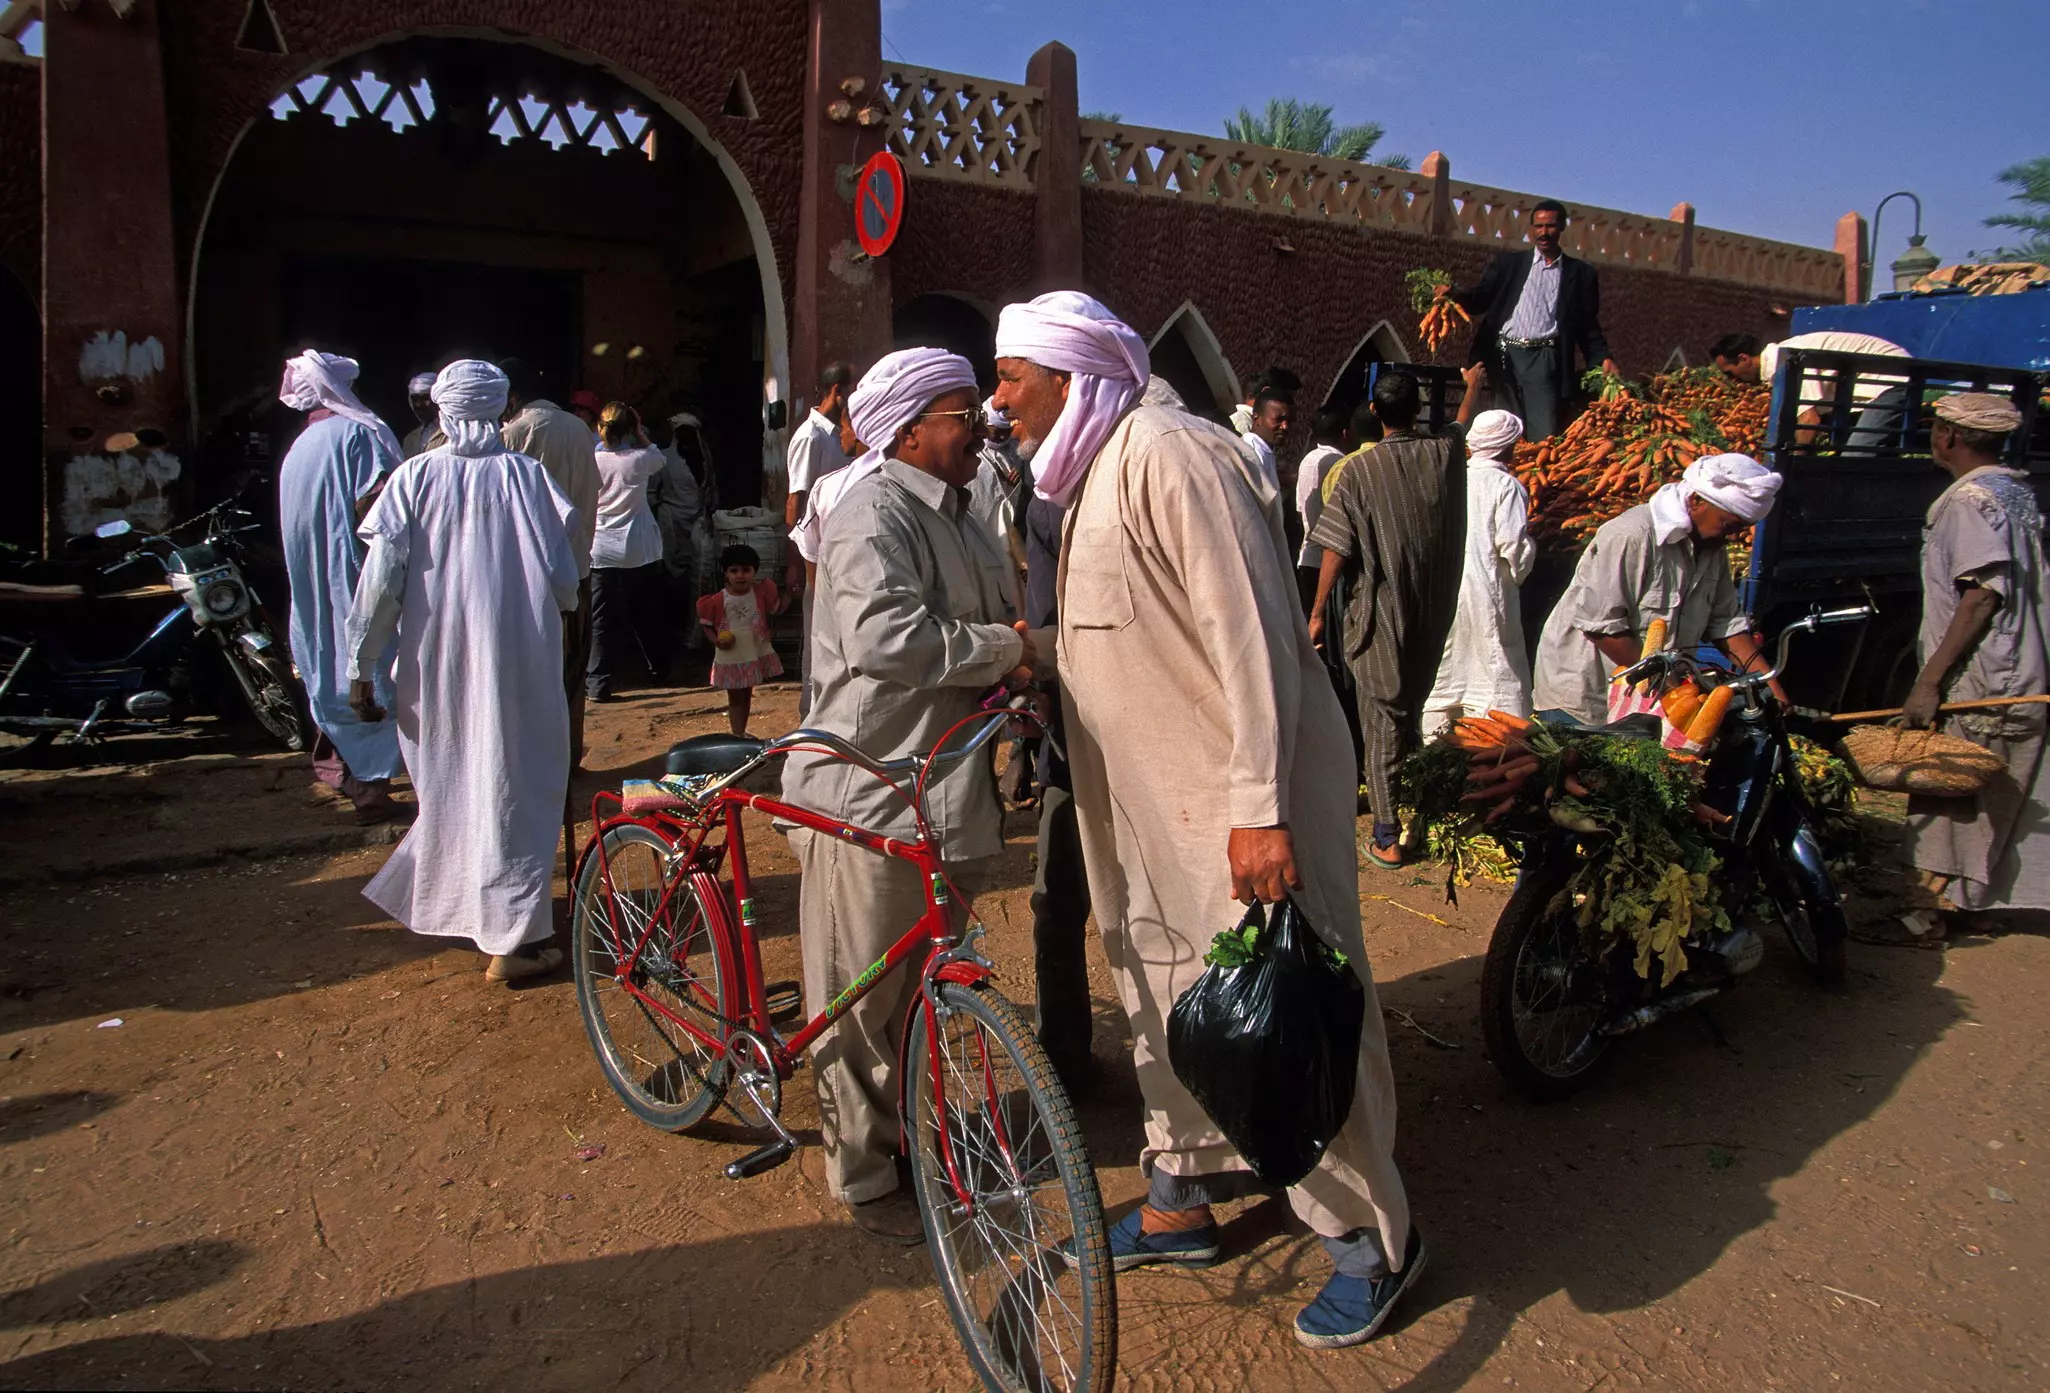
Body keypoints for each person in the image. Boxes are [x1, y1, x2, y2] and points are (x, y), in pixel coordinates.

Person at [993, 291, 1419, 1350]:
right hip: (1149, 822)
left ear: (1070, 375)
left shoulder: (1173, 454)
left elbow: (1252, 639)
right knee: (1168, 999)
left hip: (1234, 809)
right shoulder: (1095, 470)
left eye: (1010, 377)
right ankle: (1182, 1194)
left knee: (1292, 1012)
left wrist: (1257, 810)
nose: (998, 401)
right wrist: (1034, 657)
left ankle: (1371, 1239)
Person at [778, 347, 1028, 1242]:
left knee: (922, 986)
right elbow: (890, 640)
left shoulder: (965, 510)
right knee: (857, 999)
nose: (983, 427)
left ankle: (911, 1133)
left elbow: (999, 617)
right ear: (912, 429)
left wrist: (1015, 667)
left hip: (947, 789)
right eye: (965, 414)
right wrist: (1009, 650)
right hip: (868, 795)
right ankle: (864, 1170)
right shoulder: (869, 512)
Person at [344, 360, 581, 984]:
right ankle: (512, 936)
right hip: (520, 656)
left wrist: (361, 664)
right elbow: (563, 582)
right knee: (514, 780)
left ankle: (494, 921)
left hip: (437, 659)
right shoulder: (528, 479)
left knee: (456, 779)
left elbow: (380, 587)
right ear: (501, 410)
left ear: (442, 410)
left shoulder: (413, 479)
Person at [1307, 370, 1468, 869]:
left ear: (1374, 414)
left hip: (1382, 614)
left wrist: (1315, 614)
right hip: (1431, 612)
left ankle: (1386, 835)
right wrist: (1474, 385)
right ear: (1417, 409)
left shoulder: (1359, 471)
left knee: (1381, 721)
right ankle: (1420, 810)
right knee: (1408, 714)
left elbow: (1335, 548)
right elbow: (1460, 427)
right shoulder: (1444, 456)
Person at [1902, 392, 2050, 924]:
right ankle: (1971, 902)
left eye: (1937, 428)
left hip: (1988, 676)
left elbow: (1981, 595)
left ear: (1952, 437)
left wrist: (1929, 681)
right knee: (1992, 791)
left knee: (1955, 786)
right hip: (2018, 668)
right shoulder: (2012, 492)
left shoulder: (1969, 502)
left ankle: (1933, 909)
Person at [1530, 453, 1784, 726]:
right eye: (1729, 526)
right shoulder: (1632, 535)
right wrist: (1668, 687)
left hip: (1654, 696)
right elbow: (1600, 627)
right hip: (1587, 694)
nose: (1732, 537)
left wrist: (1772, 688)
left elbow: (1727, 625)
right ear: (1696, 501)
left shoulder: (1712, 549)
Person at [276, 350, 406, 823]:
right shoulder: (358, 434)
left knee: (325, 662)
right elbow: (378, 506)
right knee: (371, 671)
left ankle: (337, 766)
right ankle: (371, 786)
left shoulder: (301, 447)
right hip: (357, 577)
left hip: (313, 583)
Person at [1440, 198, 1616, 441]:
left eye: (1550, 226)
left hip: (1543, 358)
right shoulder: (1509, 265)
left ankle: (1535, 475)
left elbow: (1587, 325)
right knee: (1504, 427)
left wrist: (1603, 358)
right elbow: (1481, 298)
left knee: (1543, 433)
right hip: (1504, 354)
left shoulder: (1580, 274)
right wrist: (1455, 295)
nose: (1544, 233)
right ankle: (1504, 476)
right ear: (1531, 228)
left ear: (1562, 227)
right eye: (1538, 226)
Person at [500, 357, 601, 764]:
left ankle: (539, 762)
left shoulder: (514, 433)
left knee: (536, 674)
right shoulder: (580, 429)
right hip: (577, 566)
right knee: (572, 672)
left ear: (511, 396)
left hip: (533, 575)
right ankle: (567, 755)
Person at [1423, 408, 1537, 728]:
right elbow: (1512, 547)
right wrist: (1528, 556)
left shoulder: (1449, 478)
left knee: (1446, 675)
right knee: (1496, 673)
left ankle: (1433, 744)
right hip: (1488, 592)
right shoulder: (1507, 486)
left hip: (1447, 591)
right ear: (1507, 445)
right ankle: (1496, 745)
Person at [785, 362, 855, 715]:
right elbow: (796, 500)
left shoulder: (839, 434)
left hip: (840, 552)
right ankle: (809, 715)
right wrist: (796, 563)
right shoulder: (810, 437)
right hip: (815, 552)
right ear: (837, 391)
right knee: (816, 639)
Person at [587, 402, 669, 702]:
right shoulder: (639, 458)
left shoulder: (592, 458)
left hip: (601, 546)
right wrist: (639, 432)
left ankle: (598, 682)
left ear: (600, 427)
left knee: (600, 618)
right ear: (631, 429)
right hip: (637, 548)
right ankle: (657, 668)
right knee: (645, 611)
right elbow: (660, 457)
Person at [695, 543, 782, 735]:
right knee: (735, 696)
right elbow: (707, 625)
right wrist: (715, 640)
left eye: (746, 570)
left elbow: (775, 611)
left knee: (747, 693)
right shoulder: (718, 599)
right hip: (730, 654)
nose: (740, 575)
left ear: (754, 572)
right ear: (726, 573)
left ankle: (741, 733)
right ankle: (736, 735)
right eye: (734, 571)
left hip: (752, 649)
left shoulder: (760, 592)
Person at [1294, 406, 1351, 615]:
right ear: (1345, 433)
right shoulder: (1340, 464)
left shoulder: (1307, 459)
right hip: (1328, 562)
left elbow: (1300, 509)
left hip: (1307, 555)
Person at [1238, 383, 1293, 492]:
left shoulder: (1263, 450)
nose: (1285, 427)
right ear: (1256, 416)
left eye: (1289, 421)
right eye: (1278, 419)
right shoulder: (1253, 453)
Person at [400, 372, 442, 458]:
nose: (418, 405)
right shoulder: (409, 439)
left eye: (425, 398)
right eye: (414, 399)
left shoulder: (452, 433)